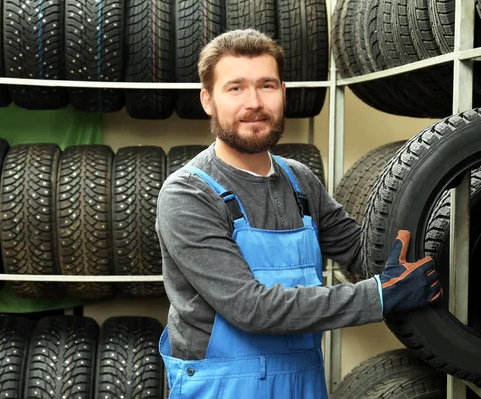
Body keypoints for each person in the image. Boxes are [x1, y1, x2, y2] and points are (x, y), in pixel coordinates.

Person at [155, 28, 443, 399]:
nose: (254, 103)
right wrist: (381, 296)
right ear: (208, 100)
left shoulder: (299, 180)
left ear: (283, 93)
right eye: (236, 88)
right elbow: (250, 308)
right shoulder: (188, 194)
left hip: (302, 380)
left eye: (267, 86)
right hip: (222, 386)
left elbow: (363, 251)